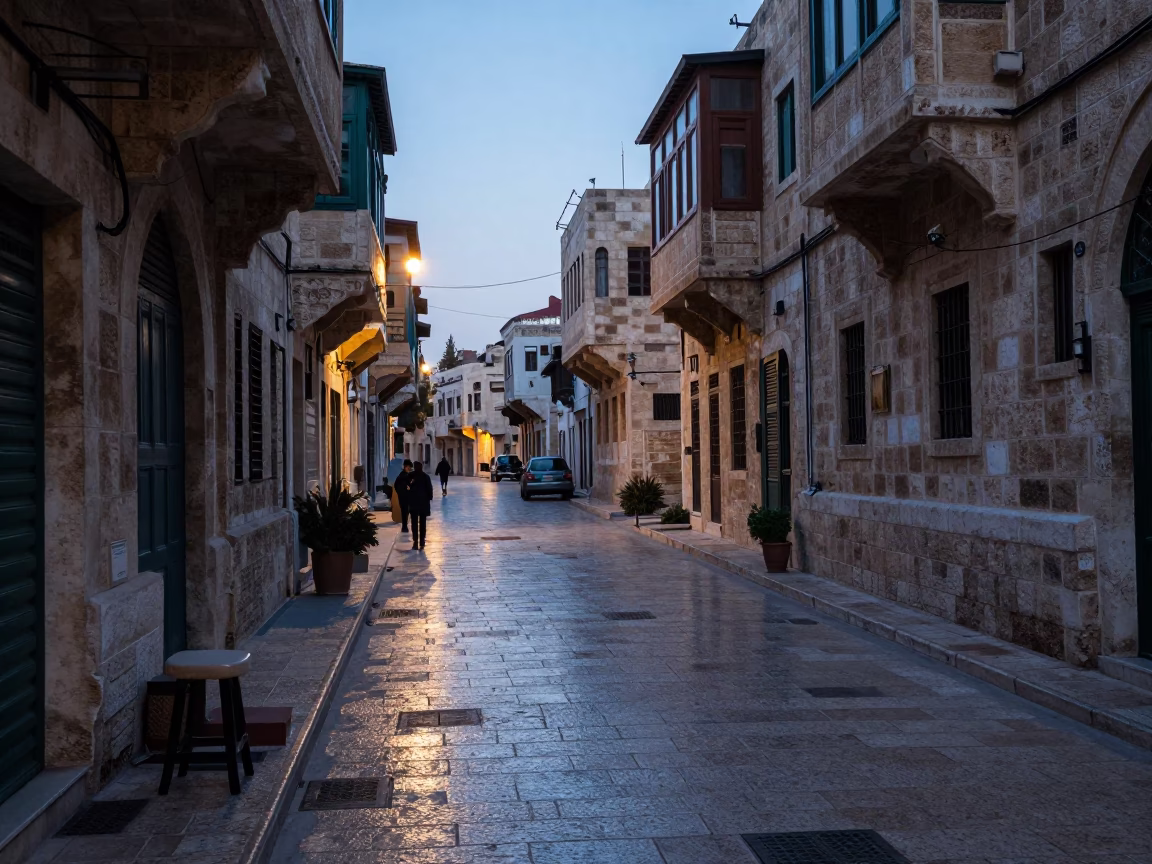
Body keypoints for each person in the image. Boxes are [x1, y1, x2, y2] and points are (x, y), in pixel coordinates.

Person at [409, 461, 434, 551]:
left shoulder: (411, 476)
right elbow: (430, 489)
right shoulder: (425, 477)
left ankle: (417, 542)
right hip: (421, 503)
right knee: (421, 523)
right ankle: (420, 542)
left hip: (415, 503)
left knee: (415, 523)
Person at [393, 459, 414, 533]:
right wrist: (402, 491)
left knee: (406, 511)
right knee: (404, 511)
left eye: (410, 467)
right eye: (408, 467)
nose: (409, 469)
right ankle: (404, 526)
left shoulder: (407, 475)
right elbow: (397, 486)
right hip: (403, 497)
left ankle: (404, 526)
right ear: (405, 467)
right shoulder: (402, 476)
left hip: (406, 497)